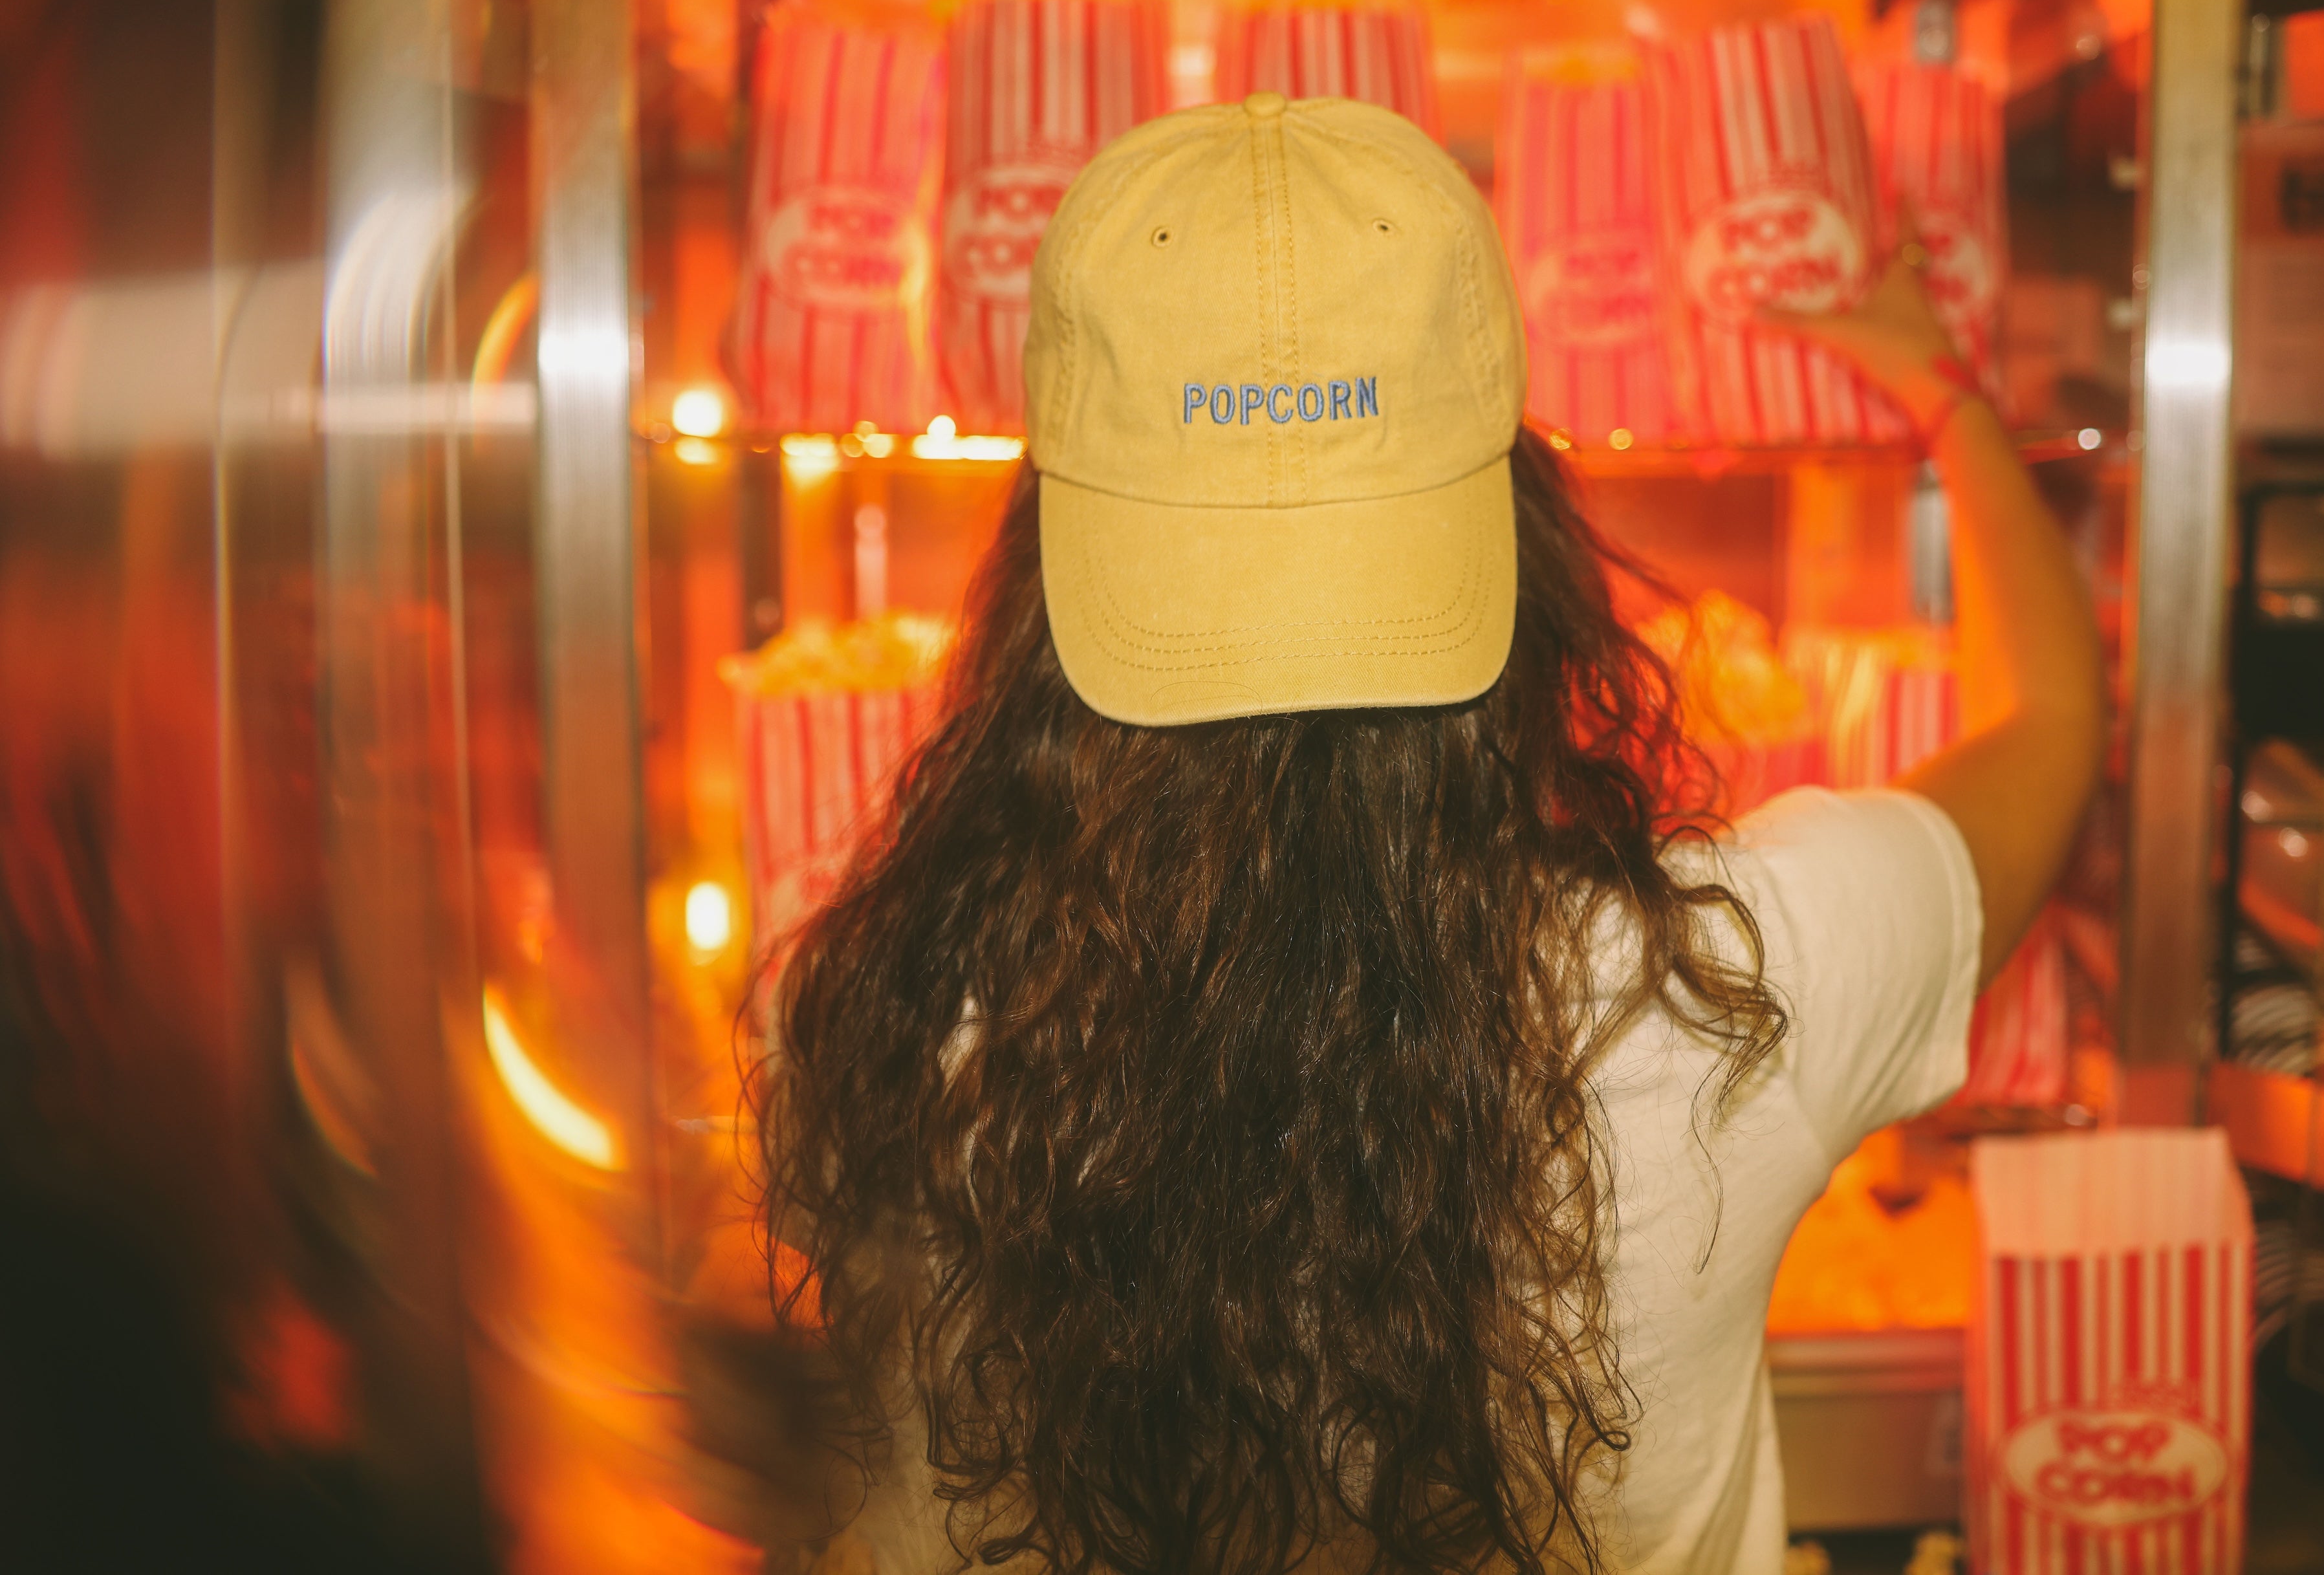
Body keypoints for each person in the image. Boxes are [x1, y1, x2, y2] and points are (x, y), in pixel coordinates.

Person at [754, 94, 2103, 1574]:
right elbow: (2051, 726)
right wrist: (1944, 397)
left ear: (1036, 591)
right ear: (1525, 549)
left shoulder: (883, 1036)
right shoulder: (1719, 998)